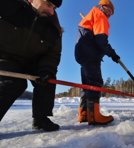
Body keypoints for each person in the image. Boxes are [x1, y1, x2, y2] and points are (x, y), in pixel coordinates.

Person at [0, 0, 63, 131]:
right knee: (14, 83)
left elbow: (51, 56)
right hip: (5, 57)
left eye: (54, 8)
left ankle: (41, 118)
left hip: (32, 62)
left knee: (48, 78)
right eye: (48, 4)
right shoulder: (9, 6)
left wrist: (46, 71)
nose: (52, 11)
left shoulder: (54, 28)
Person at [75, 0, 120, 125]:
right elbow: (101, 41)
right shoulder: (100, 16)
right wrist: (113, 54)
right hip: (90, 54)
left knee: (86, 85)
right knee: (95, 82)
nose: (110, 14)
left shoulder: (92, 15)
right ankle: (94, 116)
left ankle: (84, 113)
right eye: (109, 10)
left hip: (82, 53)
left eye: (112, 12)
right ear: (102, 7)